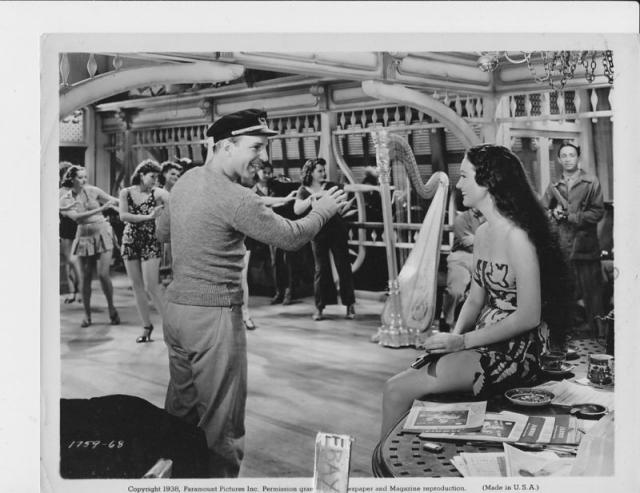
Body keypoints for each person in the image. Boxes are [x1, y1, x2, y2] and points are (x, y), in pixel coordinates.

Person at [156, 109, 347, 477]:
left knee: (181, 413)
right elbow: (291, 237)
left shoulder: (186, 181)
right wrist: (323, 211)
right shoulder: (237, 198)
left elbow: (163, 231)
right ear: (226, 146)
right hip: (213, 319)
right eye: (256, 146)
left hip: (177, 313)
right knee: (221, 429)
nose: (263, 156)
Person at [380, 144, 571, 439]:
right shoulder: (482, 233)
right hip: (482, 341)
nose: (458, 185)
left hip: (517, 352)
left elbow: (529, 316)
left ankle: (385, 467)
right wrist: (451, 340)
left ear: (488, 181)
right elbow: (474, 299)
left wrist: (462, 341)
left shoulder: (518, 237)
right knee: (400, 387)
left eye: (465, 176)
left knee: (395, 390)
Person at [541, 142, 605, 336]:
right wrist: (553, 214)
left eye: (572, 155)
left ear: (578, 158)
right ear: (559, 160)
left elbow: (598, 212)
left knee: (593, 294)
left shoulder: (591, 182)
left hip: (585, 247)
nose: (568, 159)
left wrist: (571, 217)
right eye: (564, 156)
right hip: (563, 247)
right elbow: (542, 210)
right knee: (566, 292)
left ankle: (600, 336)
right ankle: (571, 335)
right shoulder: (554, 186)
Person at [294, 158, 356, 321]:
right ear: (311, 172)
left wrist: (376, 188)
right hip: (318, 233)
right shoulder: (303, 190)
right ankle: (320, 307)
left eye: (323, 170)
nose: (323, 173)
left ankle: (350, 305)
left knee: (343, 267)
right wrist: (313, 197)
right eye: (319, 171)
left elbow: (350, 191)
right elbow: (297, 210)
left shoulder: (331, 186)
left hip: (337, 230)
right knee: (321, 269)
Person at [59, 165, 121, 328]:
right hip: (84, 236)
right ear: (72, 179)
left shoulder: (93, 190)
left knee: (103, 274)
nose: (84, 180)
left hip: (103, 232)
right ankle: (87, 315)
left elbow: (113, 200)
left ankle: (112, 309)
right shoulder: (65, 199)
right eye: (80, 177)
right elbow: (77, 218)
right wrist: (102, 208)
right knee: (85, 276)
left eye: (85, 177)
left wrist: (128, 203)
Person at [241, 160, 296, 330]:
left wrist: (285, 199)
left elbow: (261, 200)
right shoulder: (236, 188)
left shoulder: (252, 190)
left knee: (241, 279)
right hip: (230, 238)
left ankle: (245, 314)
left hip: (245, 239)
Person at [119, 159, 169, 343]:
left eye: (157, 177)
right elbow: (123, 216)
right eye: (152, 176)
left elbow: (176, 203)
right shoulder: (126, 192)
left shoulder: (158, 192)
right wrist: (149, 216)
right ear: (141, 175)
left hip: (150, 240)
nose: (155, 180)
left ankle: (172, 327)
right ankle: (146, 327)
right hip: (130, 240)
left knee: (152, 287)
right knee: (137, 286)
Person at [440, 206, 485, 331]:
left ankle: (474, 326)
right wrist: (486, 239)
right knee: (455, 291)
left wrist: (475, 239)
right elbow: (467, 244)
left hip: (484, 257)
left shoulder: (491, 218)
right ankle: (447, 320)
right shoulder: (462, 218)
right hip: (461, 257)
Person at [59, 161, 82, 304]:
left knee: (71, 261)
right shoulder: (79, 190)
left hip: (68, 227)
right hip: (77, 226)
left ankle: (78, 292)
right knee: (74, 261)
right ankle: (76, 292)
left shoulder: (61, 192)